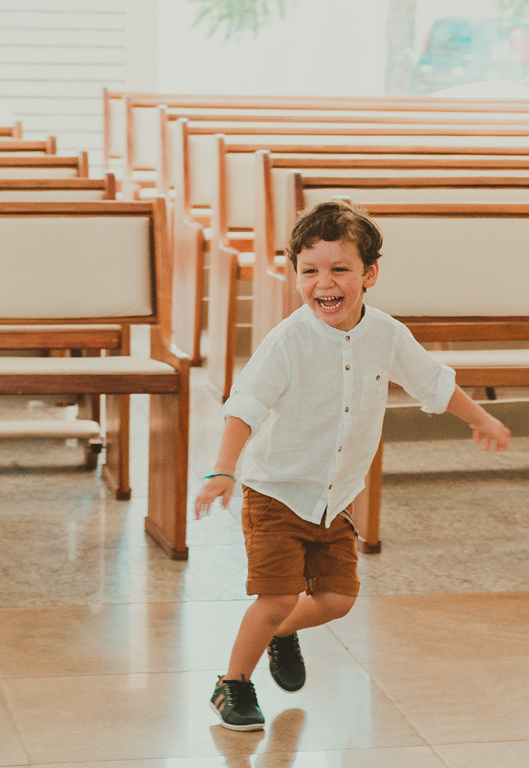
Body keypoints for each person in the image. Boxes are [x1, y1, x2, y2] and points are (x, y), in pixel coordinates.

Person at [196, 199, 511, 732]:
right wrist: (223, 470)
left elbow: (431, 381)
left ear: (369, 274)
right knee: (275, 597)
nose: (325, 283)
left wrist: (479, 418)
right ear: (295, 274)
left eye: (339, 269)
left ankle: (279, 631)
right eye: (310, 270)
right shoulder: (288, 341)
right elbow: (244, 406)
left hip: (335, 498)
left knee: (337, 599)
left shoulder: (386, 334)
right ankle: (233, 684)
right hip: (276, 494)